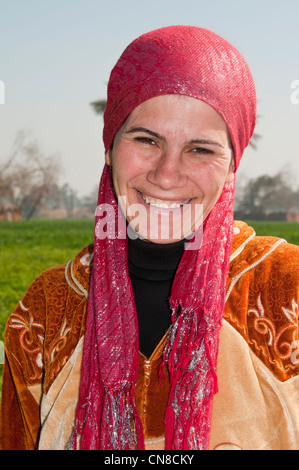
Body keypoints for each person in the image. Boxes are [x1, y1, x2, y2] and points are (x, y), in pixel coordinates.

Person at [0, 25, 298, 451]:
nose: (166, 173)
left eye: (201, 149)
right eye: (146, 139)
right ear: (109, 146)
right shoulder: (46, 311)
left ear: (233, 165)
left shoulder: (286, 291)